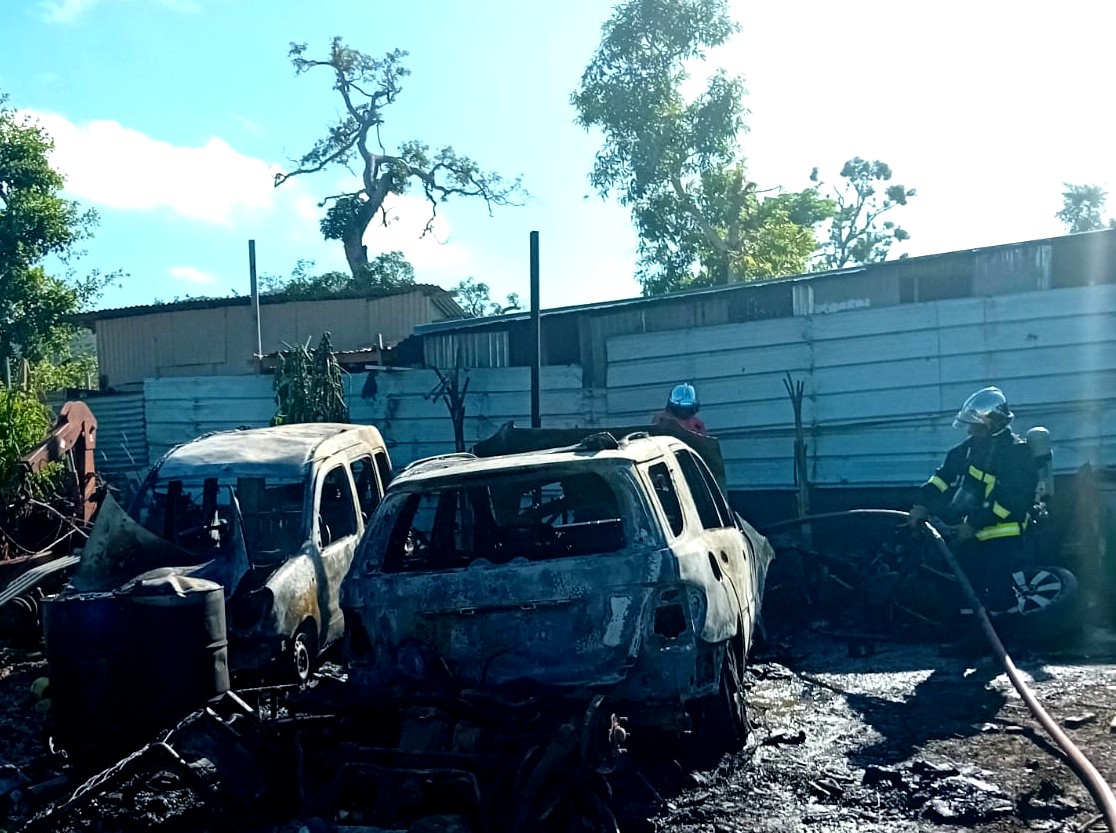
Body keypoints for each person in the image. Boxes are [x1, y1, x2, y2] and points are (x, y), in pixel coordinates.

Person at [909, 386, 1037, 616]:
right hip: (971, 532)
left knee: (999, 594)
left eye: (975, 426)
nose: (969, 431)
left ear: (993, 424)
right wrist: (921, 504)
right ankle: (972, 640)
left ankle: (1006, 646)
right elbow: (941, 479)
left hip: (1003, 535)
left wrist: (974, 524)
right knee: (967, 590)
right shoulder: (967, 451)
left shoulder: (1017, 454)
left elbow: (1012, 501)